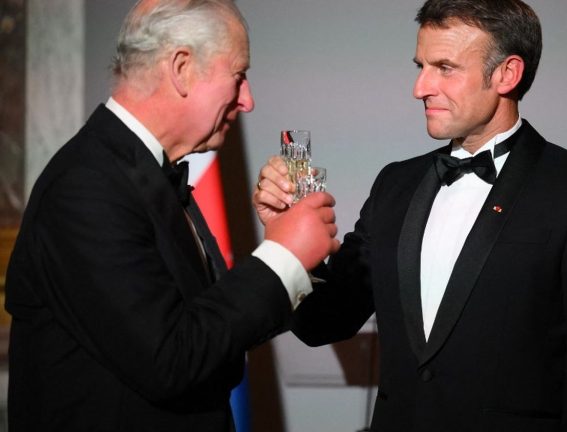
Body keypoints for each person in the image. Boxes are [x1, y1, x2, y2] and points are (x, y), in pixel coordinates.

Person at [255, 0, 567, 430]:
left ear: (507, 74)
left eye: (445, 67)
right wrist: (284, 240)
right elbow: (323, 321)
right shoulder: (395, 185)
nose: (420, 87)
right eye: (421, 66)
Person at [4, 0, 339, 430]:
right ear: (181, 68)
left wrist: (283, 243)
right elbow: (171, 360)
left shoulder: (144, 174)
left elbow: (212, 332)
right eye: (238, 76)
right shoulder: (86, 186)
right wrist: (281, 256)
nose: (248, 100)